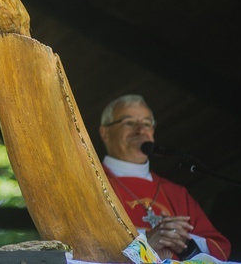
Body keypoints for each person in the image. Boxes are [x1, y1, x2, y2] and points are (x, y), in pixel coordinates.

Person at [99, 94, 231, 260]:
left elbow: (220, 250)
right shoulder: (91, 182)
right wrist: (146, 241)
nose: (140, 131)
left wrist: (184, 243)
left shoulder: (176, 193)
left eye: (147, 124)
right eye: (129, 123)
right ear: (105, 133)